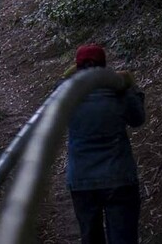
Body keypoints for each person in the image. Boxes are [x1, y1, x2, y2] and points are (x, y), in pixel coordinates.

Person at [66, 44, 145, 244]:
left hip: (82, 179)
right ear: (104, 65)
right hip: (119, 177)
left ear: (78, 67)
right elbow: (138, 119)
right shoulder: (118, 92)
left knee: (90, 238)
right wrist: (132, 88)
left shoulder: (67, 94)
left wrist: (70, 75)